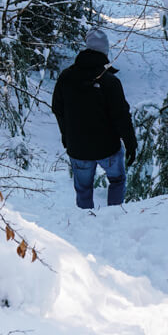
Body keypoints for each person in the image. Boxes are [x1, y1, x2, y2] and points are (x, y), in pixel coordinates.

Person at [52, 28, 138, 209]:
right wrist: (131, 143)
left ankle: (86, 221)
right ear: (104, 52)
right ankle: (114, 216)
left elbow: (57, 109)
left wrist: (66, 136)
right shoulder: (110, 81)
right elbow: (121, 116)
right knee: (117, 180)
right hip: (108, 149)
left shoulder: (66, 77)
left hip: (78, 148)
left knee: (83, 188)